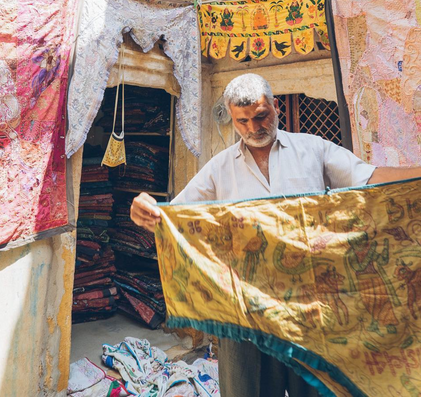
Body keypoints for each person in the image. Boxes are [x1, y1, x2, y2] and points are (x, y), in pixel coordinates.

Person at [130, 73, 421, 397]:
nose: (253, 128)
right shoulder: (219, 168)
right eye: (242, 121)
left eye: (260, 116)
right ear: (231, 117)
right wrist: (144, 207)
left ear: (276, 107)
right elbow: (172, 216)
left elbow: (370, 179)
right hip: (244, 314)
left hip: (310, 310)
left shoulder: (313, 150)